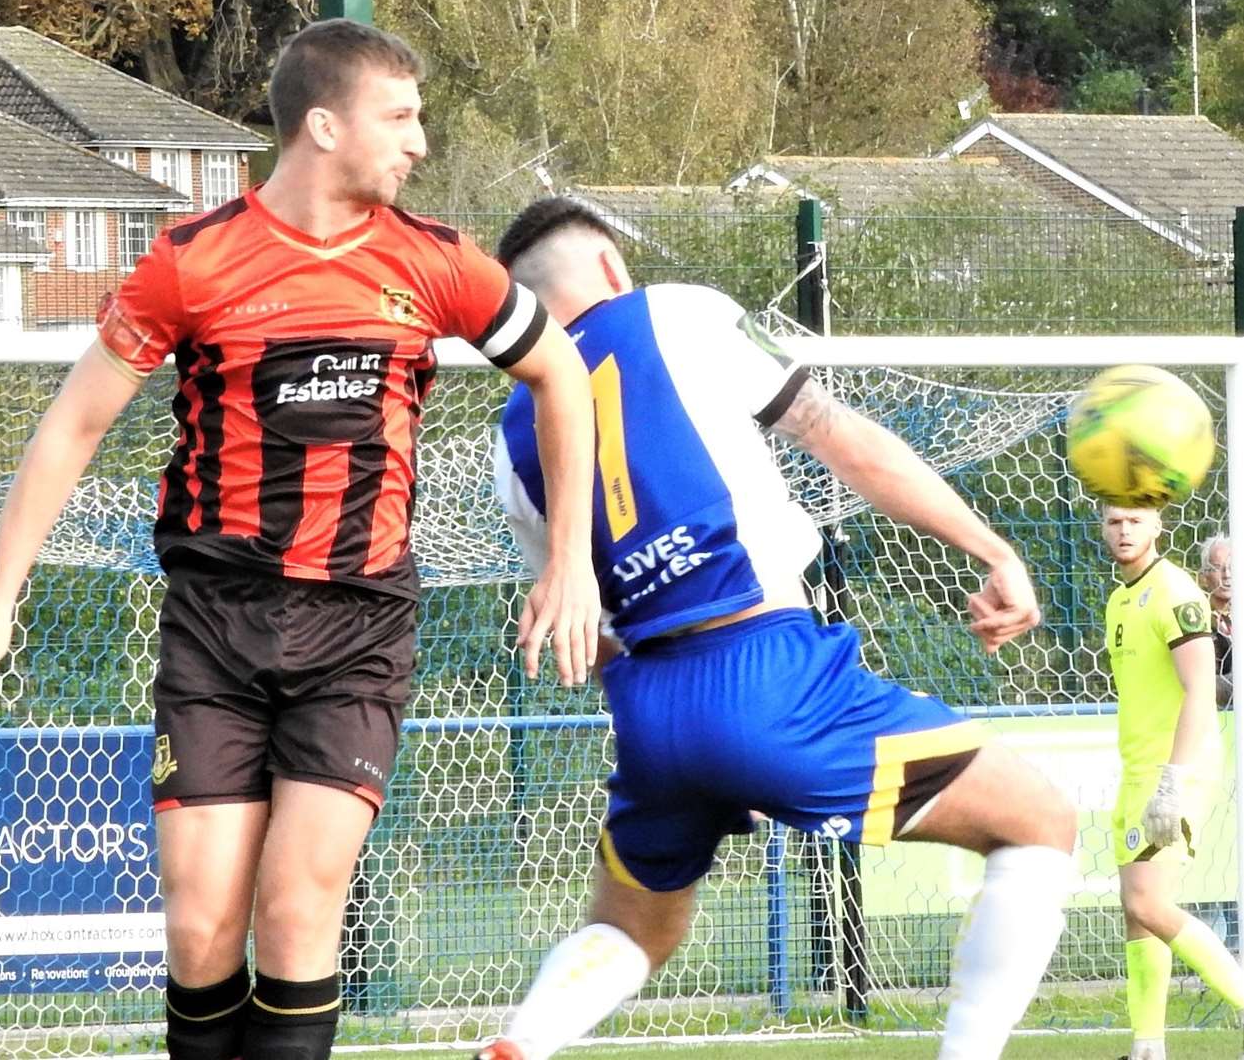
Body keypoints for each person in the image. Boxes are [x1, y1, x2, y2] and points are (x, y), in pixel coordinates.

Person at [0, 21, 599, 1060]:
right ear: (323, 124)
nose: (418, 142)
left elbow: (563, 378)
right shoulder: (191, 264)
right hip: (215, 630)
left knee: (294, 914)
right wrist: (1, 589)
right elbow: (71, 427)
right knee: (197, 930)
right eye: (399, 118)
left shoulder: (436, 263)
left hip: (357, 629)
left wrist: (570, 560)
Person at [477, 196, 1079, 1060]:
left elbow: (587, 620)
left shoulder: (512, 442)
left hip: (651, 703)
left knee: (633, 930)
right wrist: (990, 549)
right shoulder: (677, 313)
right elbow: (845, 440)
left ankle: (523, 1043)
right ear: (613, 270)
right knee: (1039, 819)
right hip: (768, 669)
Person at [1100, 506, 1243, 1060]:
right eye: (1114, 522)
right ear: (1103, 528)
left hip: (1174, 770)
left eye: (1136, 521)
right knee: (1136, 911)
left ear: (1159, 527)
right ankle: (1147, 1048)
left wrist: (1172, 780)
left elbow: (1201, 692)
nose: (1125, 531)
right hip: (1139, 770)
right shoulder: (1118, 599)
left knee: (1151, 903)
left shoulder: (1175, 591)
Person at [1198, 533, 1232, 709]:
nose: (1227, 574)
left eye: (1232, 566)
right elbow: (1201, 685)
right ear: (1203, 577)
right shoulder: (1198, 620)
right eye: (1218, 567)